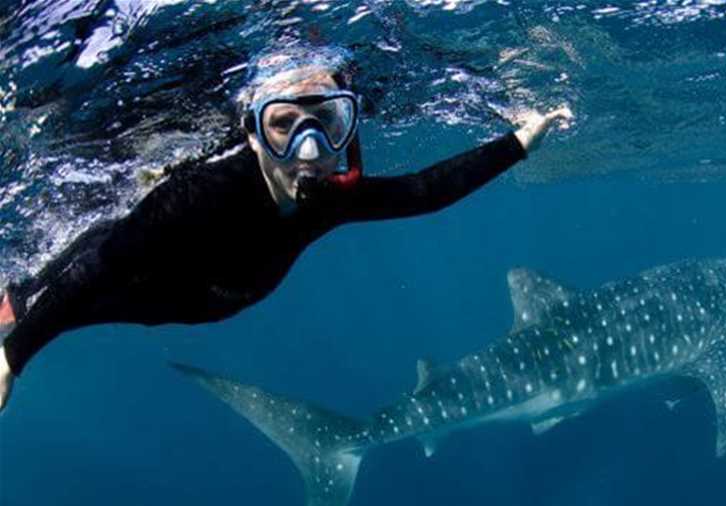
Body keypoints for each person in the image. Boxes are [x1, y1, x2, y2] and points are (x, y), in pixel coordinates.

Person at [0, 56, 571, 410]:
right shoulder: (204, 191)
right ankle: (13, 307)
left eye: (328, 123)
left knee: (80, 302)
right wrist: (15, 359)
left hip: (212, 303)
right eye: (284, 125)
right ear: (253, 135)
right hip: (159, 281)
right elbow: (103, 261)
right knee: (73, 283)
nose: (309, 150)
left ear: (349, 124)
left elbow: (424, 192)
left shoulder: (333, 197)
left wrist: (520, 142)